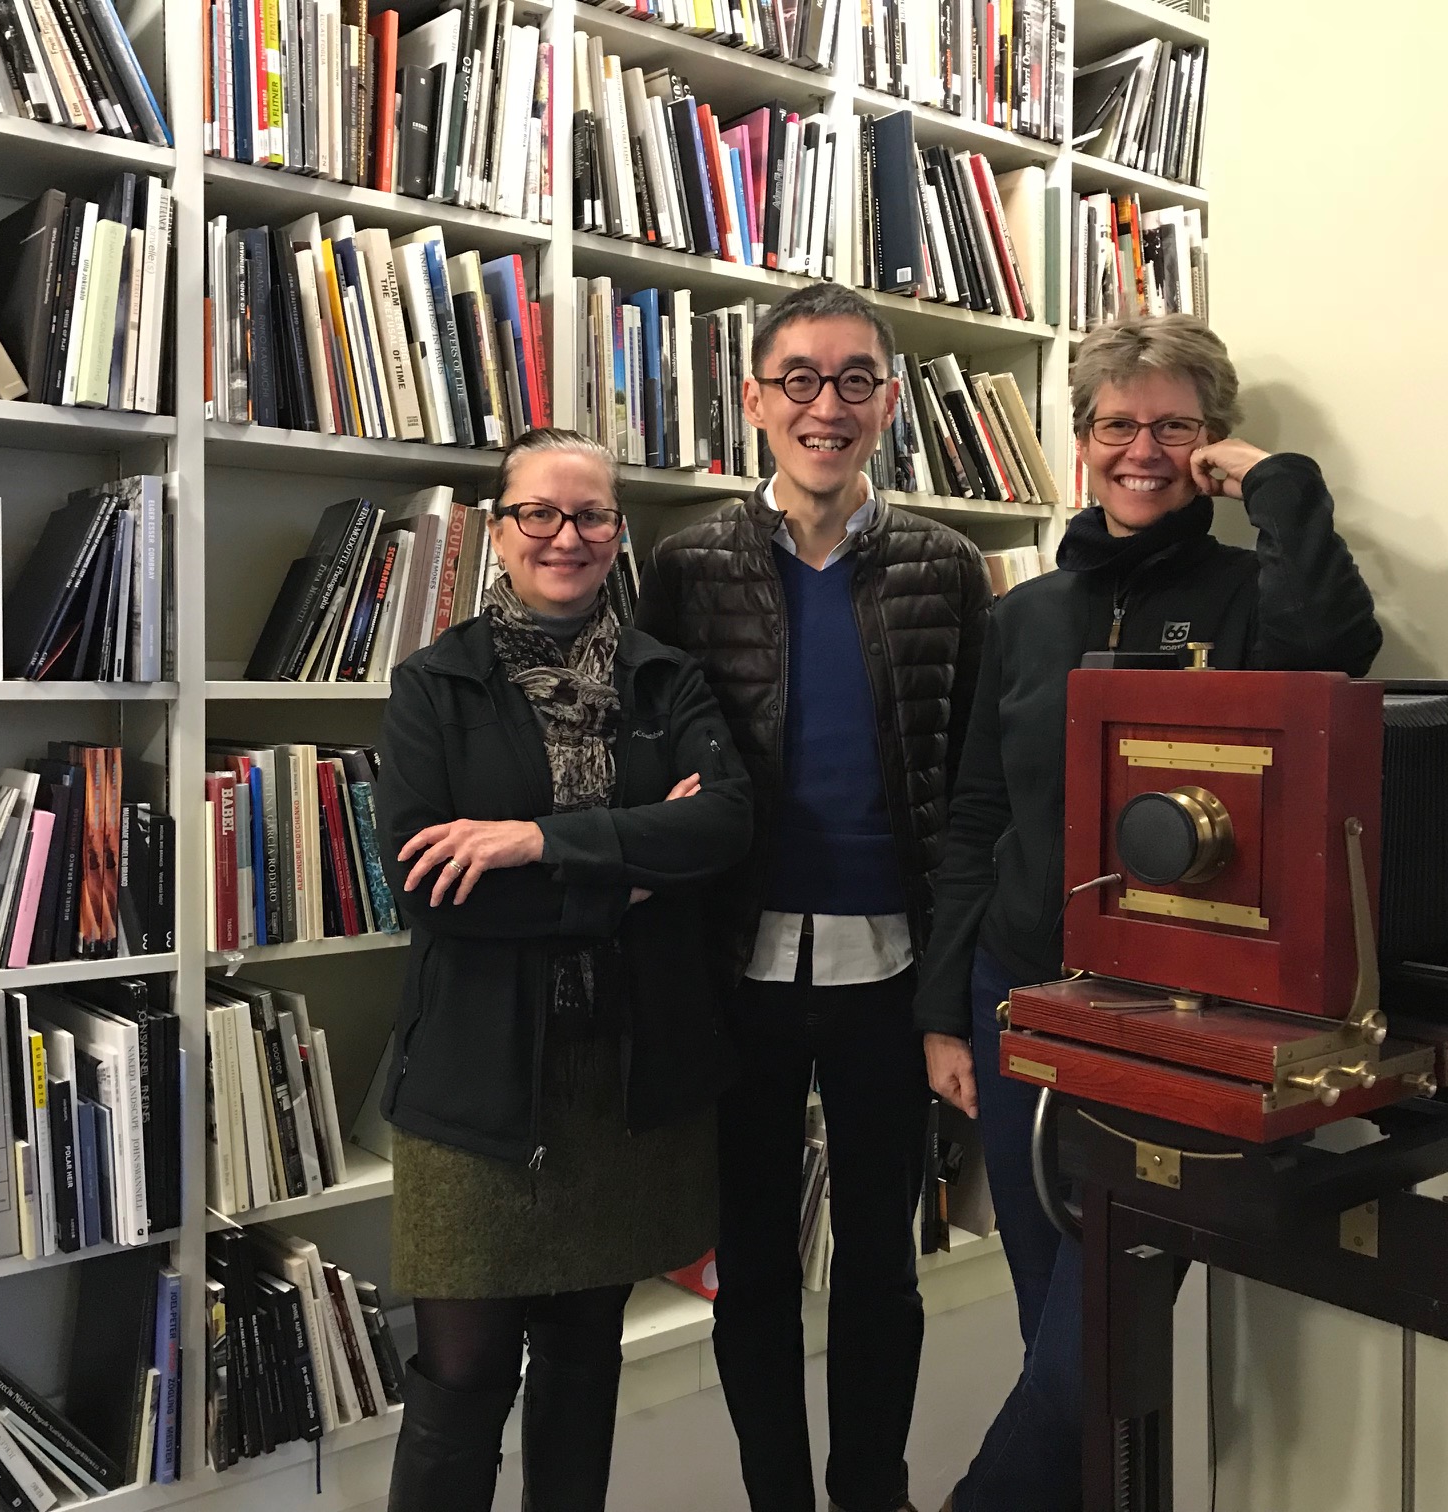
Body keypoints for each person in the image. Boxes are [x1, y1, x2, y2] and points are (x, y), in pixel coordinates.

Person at [915, 314, 1383, 1510]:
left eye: (1174, 427)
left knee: (1089, 1358)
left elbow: (1336, 655)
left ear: (1210, 444)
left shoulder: (1249, 597)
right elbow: (976, 818)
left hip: (1174, 1021)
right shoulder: (1023, 614)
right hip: (1019, 1001)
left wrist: (1277, 485)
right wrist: (944, 1011)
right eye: (1117, 424)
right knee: (1056, 1337)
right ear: (1080, 441)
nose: (1142, 450)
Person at [638, 282, 993, 1512]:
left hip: (890, 975)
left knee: (881, 1265)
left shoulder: (948, 567)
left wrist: (952, 988)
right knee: (752, 1267)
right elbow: (655, 761)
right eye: (798, 378)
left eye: (852, 380)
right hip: (737, 969)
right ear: (754, 399)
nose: (824, 406)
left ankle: (870, 1493)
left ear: (888, 402)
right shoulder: (687, 567)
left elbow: (972, 787)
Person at [375, 428, 753, 1512]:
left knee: (585, 1361)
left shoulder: (664, 678)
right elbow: (432, 889)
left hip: (623, 1081)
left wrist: (535, 841)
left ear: (618, 534)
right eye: (538, 513)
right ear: (498, 532)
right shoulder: (434, 684)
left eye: (590, 515)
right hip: (478, 1085)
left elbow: (724, 828)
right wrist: (628, 878)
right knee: (460, 1381)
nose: (565, 536)